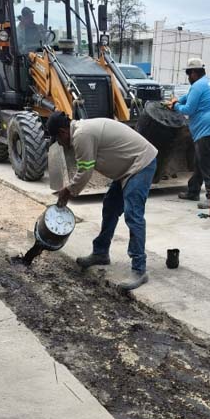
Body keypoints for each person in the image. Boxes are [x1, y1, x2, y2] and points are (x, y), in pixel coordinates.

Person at [49, 111, 159, 290]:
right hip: (126, 169)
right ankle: (101, 252)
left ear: (62, 132)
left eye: (58, 140)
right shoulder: (81, 131)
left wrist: (68, 192)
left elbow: (85, 170)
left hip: (140, 164)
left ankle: (139, 269)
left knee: (133, 214)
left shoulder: (81, 135)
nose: (60, 144)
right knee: (110, 206)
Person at [168, 57, 210, 210]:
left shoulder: (198, 86)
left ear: (194, 72)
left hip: (208, 131)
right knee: (199, 163)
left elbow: (188, 109)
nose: (188, 77)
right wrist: (177, 100)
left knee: (207, 164)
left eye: (188, 73)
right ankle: (193, 191)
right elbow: (188, 98)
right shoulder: (205, 83)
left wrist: (176, 106)